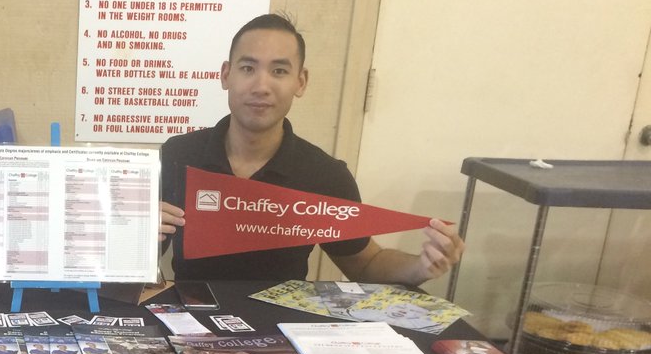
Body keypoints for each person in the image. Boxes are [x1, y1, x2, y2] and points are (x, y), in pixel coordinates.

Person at [159, 14, 463, 286]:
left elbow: (365, 263)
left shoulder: (323, 175)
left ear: (300, 82)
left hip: (282, 333)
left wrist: (420, 266)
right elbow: (131, 259)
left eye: (279, 71)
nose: (261, 86)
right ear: (226, 75)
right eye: (248, 68)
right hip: (188, 325)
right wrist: (127, 232)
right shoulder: (179, 155)